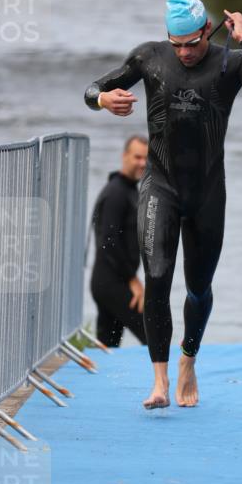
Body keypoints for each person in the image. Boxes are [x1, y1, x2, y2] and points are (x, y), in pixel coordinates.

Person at [84, 0, 242, 409]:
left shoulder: (230, 63)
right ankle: (158, 382)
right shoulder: (149, 57)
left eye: (192, 44)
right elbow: (92, 89)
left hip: (209, 192)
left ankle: (188, 362)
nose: (183, 53)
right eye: (175, 45)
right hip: (161, 186)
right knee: (156, 278)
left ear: (206, 31)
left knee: (198, 288)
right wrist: (103, 99)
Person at [90, 135, 149, 348]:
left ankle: (100, 379)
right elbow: (109, 242)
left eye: (146, 158)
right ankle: (165, 380)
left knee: (108, 345)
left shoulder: (130, 189)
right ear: (124, 156)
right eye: (137, 157)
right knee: (153, 333)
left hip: (110, 281)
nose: (142, 163)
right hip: (111, 282)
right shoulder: (116, 192)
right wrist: (132, 279)